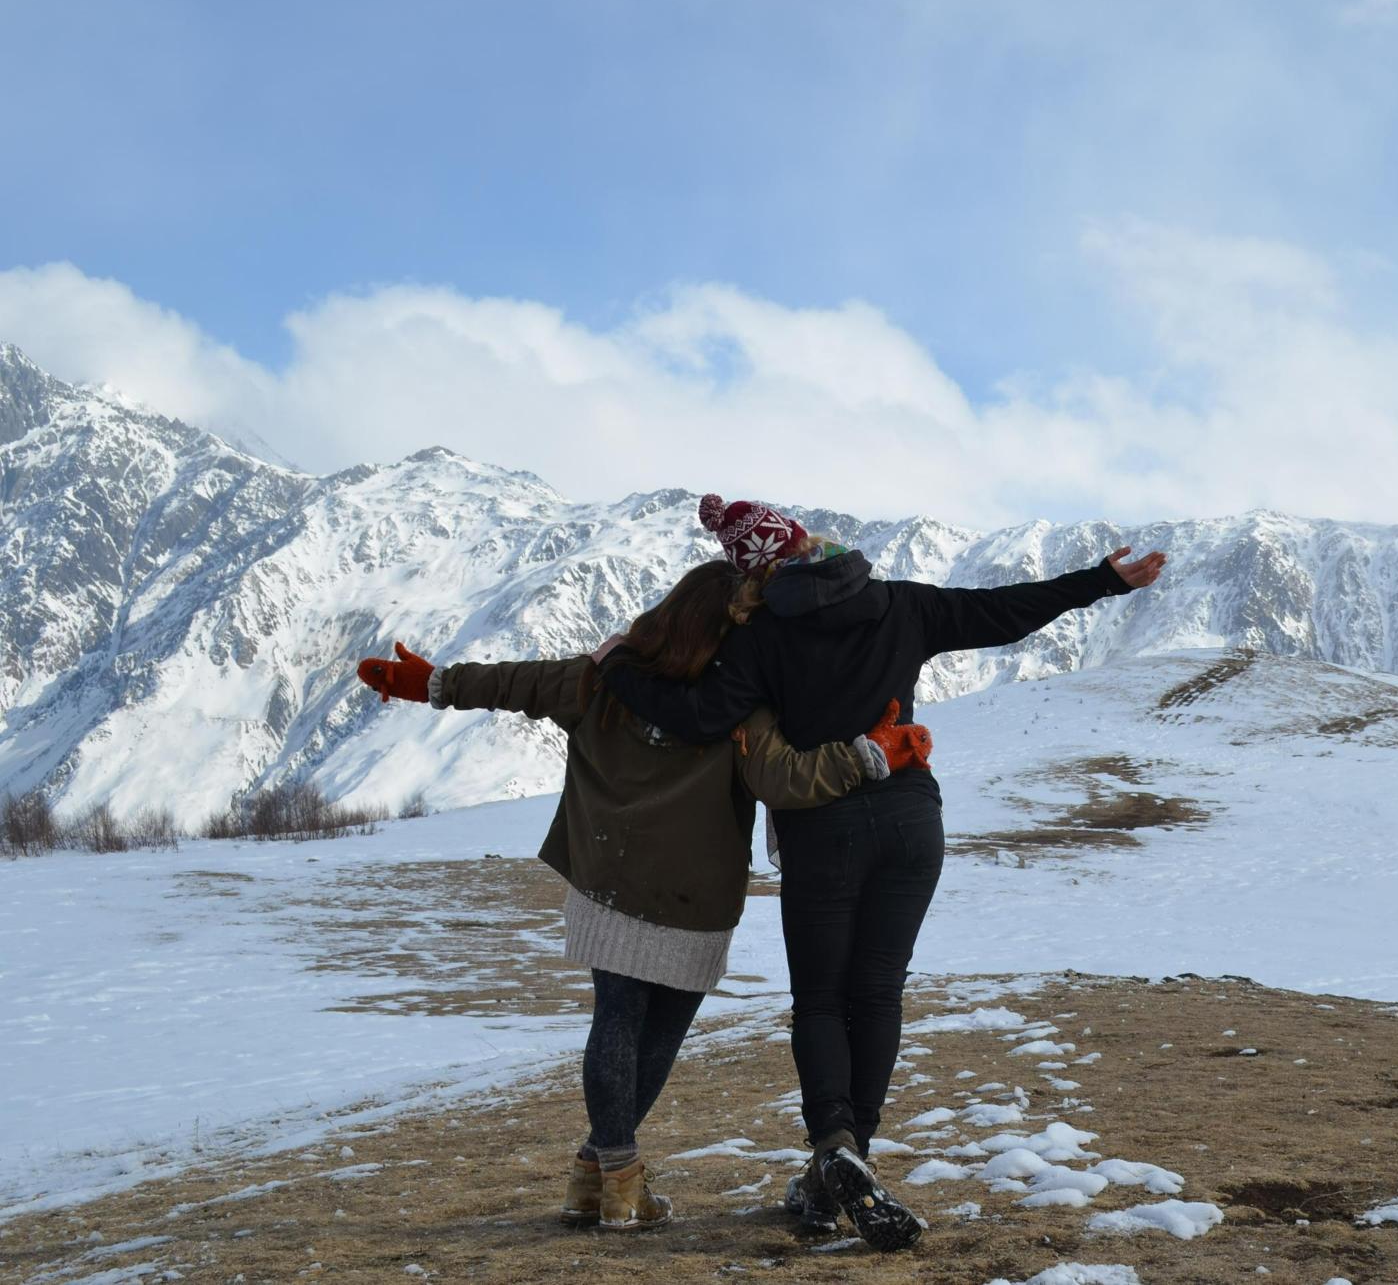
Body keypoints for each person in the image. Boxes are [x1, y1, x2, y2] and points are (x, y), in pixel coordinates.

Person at [597, 495, 1166, 1250]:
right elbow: (1002, 613)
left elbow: (701, 716)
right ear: (810, 545)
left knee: (823, 1002)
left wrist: (617, 672)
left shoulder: (761, 638)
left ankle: (834, 1147)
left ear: (755, 573)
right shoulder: (899, 605)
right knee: (877, 993)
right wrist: (1102, 580)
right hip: (909, 823)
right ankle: (844, 1162)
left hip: (822, 833)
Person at [354, 559, 933, 1232]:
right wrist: (870, 755)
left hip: (609, 876)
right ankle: (617, 1181)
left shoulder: (602, 679)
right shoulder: (741, 702)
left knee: (618, 1016)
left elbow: (516, 683)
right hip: (696, 898)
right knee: (656, 1034)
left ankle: (596, 1176)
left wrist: (434, 683)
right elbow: (786, 780)